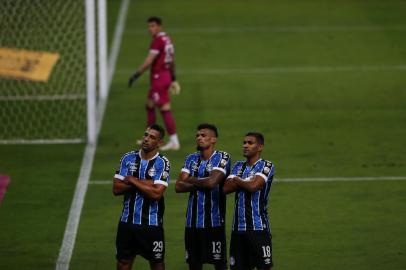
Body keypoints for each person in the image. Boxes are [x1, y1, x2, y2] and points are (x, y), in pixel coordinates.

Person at [113, 124, 171, 270]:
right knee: (123, 263)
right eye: (146, 135)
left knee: (157, 263)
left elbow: (157, 194)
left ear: (160, 143)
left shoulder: (162, 163)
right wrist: (147, 183)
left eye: (152, 137)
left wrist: (132, 180)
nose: (146, 139)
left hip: (151, 225)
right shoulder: (128, 158)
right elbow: (116, 188)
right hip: (127, 223)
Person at [175, 123, 231, 270]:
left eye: (203, 135)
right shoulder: (191, 158)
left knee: (219, 264)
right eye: (198, 135)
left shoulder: (222, 157)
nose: (199, 138)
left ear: (213, 139)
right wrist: (202, 182)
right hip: (191, 224)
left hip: (214, 223)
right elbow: (178, 186)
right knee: (194, 265)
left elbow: (212, 182)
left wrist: (191, 179)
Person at [223, 132, 275, 270]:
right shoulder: (238, 166)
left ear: (260, 147)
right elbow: (226, 188)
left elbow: (254, 186)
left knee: (264, 267)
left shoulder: (266, 165)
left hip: (258, 228)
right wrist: (247, 181)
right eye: (244, 142)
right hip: (237, 230)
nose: (245, 145)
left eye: (250, 143)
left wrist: (238, 180)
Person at [128, 16, 181, 151]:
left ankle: (174, 141)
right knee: (149, 105)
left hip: (159, 79)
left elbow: (149, 61)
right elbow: (172, 60)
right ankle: (149, 138)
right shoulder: (167, 39)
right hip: (165, 76)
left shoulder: (157, 41)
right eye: (149, 26)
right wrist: (173, 78)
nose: (150, 29)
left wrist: (136, 75)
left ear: (159, 26)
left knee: (164, 109)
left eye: (152, 26)